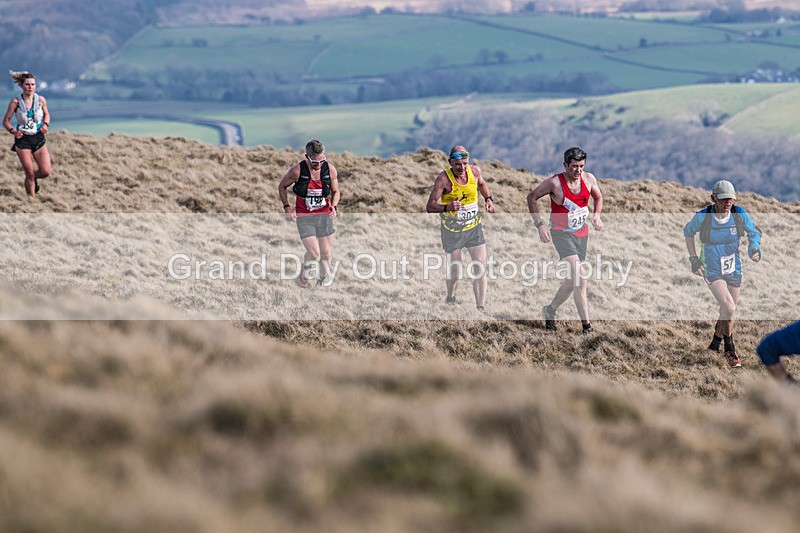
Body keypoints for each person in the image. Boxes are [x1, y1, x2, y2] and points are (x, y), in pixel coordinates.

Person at [684, 179, 761, 368]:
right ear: (713, 198)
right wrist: (694, 259)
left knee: (727, 310)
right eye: (724, 199)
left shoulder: (738, 214)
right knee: (729, 307)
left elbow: (754, 232)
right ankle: (730, 349)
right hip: (712, 268)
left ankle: (714, 345)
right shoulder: (703, 217)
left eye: (731, 199)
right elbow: (688, 232)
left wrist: (754, 247)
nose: (728, 203)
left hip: (734, 268)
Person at [527, 146, 603, 334]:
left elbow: (598, 197)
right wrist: (540, 225)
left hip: (581, 234)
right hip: (561, 233)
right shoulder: (554, 183)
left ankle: (550, 310)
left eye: (581, 166)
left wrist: (597, 215)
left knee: (572, 280)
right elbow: (532, 197)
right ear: (565, 165)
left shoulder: (589, 178)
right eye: (574, 166)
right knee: (581, 278)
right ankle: (587, 327)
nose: (578, 171)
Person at [425, 145, 495, 310]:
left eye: (464, 163)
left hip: (473, 229)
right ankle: (450, 297)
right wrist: (446, 207)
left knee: (480, 268)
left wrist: (488, 199)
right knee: (455, 271)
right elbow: (429, 206)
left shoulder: (475, 172)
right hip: (452, 231)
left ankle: (480, 308)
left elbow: (482, 185)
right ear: (450, 162)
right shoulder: (443, 179)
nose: (462, 167)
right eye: (458, 164)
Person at [277, 139, 340, 288]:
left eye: (322, 160)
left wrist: (334, 206)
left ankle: (321, 282)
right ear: (307, 157)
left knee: (326, 254)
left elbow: (336, 191)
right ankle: (302, 282)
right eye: (315, 162)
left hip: (324, 216)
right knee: (314, 254)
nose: (319, 164)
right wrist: (287, 208)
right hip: (305, 217)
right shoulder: (296, 171)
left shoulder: (330, 170)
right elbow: (282, 187)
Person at [2, 70, 51, 197]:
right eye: (27, 85)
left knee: (45, 171)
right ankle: (31, 201)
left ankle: (32, 180)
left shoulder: (40, 100)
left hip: (38, 137)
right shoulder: (15, 102)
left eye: (33, 85)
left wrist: (45, 124)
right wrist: (13, 131)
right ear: (21, 86)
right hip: (23, 140)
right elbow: (6, 121)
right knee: (28, 172)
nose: (30, 87)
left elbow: (47, 115)